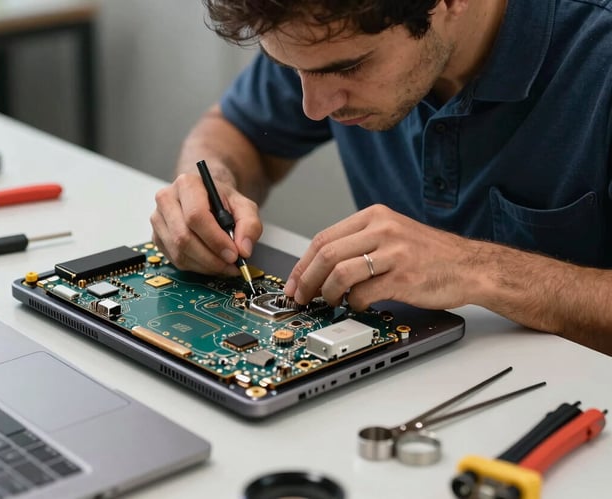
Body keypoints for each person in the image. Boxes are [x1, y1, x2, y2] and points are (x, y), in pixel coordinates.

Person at [149, 0, 612, 355]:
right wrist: (205, 190)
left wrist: (479, 268)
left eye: (349, 67)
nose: (314, 107)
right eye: (293, 71)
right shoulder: (318, 30)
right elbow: (233, 131)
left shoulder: (598, 52)